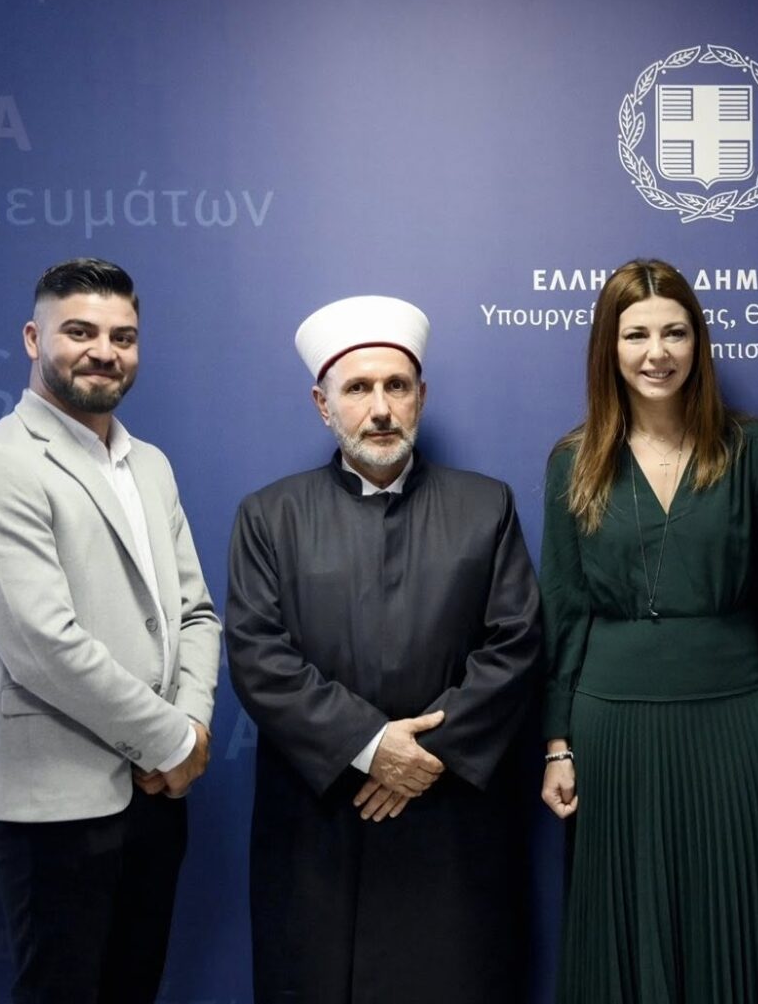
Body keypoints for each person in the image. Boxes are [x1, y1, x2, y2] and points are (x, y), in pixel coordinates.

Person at [225, 295, 542, 1004]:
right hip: (320, 818)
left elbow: (515, 643)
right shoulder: (269, 516)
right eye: (358, 388)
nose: (379, 409)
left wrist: (421, 757)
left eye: (396, 386)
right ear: (323, 404)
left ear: (420, 396)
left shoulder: (485, 506)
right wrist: (370, 746)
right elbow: (257, 654)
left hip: (448, 812)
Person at [0, 258, 219, 1004]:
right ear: (34, 340)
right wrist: (172, 741)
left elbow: (195, 613)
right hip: (52, 810)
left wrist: (192, 725)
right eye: (80, 332)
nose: (104, 351)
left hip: (157, 799)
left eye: (123, 337)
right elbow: (43, 647)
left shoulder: (150, 465)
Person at [539, 259, 758, 1003]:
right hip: (611, 725)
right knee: (621, 924)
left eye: (674, 333)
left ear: (699, 343)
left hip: (735, 718)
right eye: (636, 335)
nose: (656, 353)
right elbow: (562, 608)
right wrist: (556, 743)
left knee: (732, 924)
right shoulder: (572, 461)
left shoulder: (752, 449)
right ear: (609, 346)